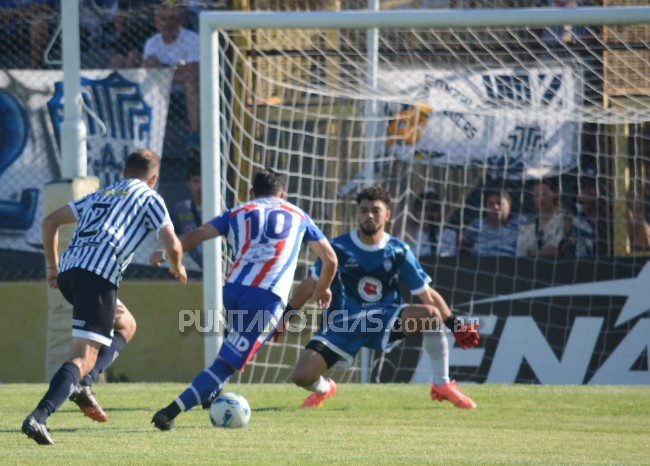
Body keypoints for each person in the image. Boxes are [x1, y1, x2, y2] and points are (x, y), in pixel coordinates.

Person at [148, 168, 338, 431]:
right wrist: (322, 289)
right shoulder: (298, 215)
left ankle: (212, 393)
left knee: (232, 348)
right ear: (283, 194)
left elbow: (193, 237)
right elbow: (330, 259)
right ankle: (169, 413)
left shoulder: (239, 211)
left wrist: (166, 253)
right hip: (265, 296)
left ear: (251, 193)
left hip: (234, 290)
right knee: (224, 365)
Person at [21, 148, 187, 445]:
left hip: (70, 272)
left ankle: (84, 384)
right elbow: (173, 244)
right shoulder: (151, 197)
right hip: (97, 277)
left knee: (126, 325)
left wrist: (52, 267)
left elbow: (49, 223)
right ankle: (40, 416)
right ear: (154, 178)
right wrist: (176, 266)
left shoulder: (103, 193)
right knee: (82, 356)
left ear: (124, 172)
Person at [280, 186, 480, 410]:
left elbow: (426, 294)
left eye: (375, 210)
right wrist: (286, 317)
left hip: (384, 319)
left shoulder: (398, 250)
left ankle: (441, 384)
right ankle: (326, 389)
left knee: (430, 315)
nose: (369, 216)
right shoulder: (338, 248)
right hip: (342, 324)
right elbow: (310, 285)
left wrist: (453, 323)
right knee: (301, 376)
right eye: (364, 210)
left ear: (387, 215)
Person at [141, 3, 200, 147]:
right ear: (156, 23)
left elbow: (195, 69)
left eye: (172, 19)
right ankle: (147, 135)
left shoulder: (192, 38)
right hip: (162, 85)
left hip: (186, 84)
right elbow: (147, 69)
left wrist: (162, 69)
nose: (168, 23)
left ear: (179, 21)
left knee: (191, 82)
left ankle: (195, 134)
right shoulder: (152, 42)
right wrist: (177, 70)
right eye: (163, 19)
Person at [517, 177, 593, 257]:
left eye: (545, 194)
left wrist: (540, 253)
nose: (541, 199)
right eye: (536, 195)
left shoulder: (568, 220)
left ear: (555, 193)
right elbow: (521, 255)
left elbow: (562, 250)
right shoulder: (526, 226)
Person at [461, 185, 524, 256]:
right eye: (490, 204)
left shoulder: (521, 223)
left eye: (499, 203)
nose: (495, 207)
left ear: (509, 205)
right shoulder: (478, 224)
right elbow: (461, 241)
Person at [403, 190, 457, 258]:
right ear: (416, 212)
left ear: (440, 212)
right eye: (423, 208)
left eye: (434, 208)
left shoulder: (450, 235)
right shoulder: (409, 235)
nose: (428, 212)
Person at [171, 155, 202, 267]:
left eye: (204, 181)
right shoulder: (180, 209)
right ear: (188, 184)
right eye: (195, 181)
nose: (200, 186)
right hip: (189, 264)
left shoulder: (222, 208)